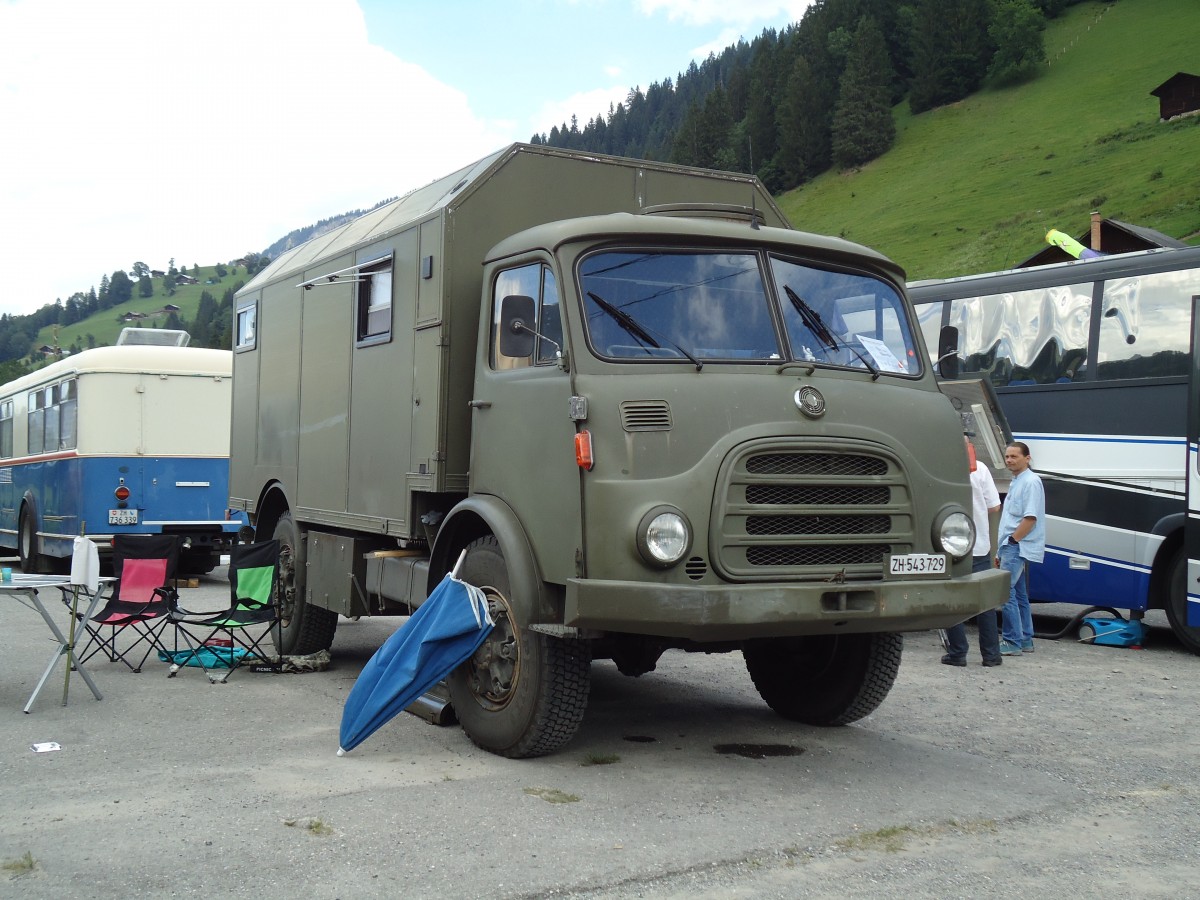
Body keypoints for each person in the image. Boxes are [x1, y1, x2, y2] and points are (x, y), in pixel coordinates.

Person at [942, 439, 1003, 667]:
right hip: (979, 545)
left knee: (952, 601)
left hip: (950, 546)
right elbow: (994, 506)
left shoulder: (941, 468)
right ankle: (991, 655)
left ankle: (958, 653)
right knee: (984, 603)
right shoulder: (981, 469)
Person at [997, 441, 1046, 656]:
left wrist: (1013, 541)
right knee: (1019, 594)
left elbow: (1030, 517)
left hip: (1017, 545)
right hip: (1011, 544)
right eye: (1007, 456)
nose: (1009, 460)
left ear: (1027, 458)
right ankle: (1025, 639)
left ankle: (1012, 641)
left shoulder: (1031, 482)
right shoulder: (1017, 481)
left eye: (1014, 456)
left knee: (1004, 591)